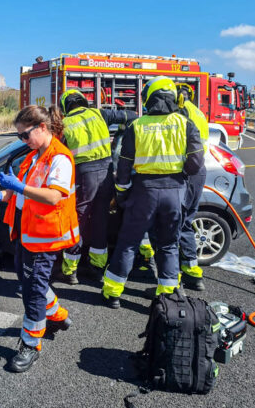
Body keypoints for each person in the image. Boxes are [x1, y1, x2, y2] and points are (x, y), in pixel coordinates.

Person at [0, 105, 79, 372]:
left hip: (44, 235)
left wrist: (19, 186)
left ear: (42, 128)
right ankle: (57, 315)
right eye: (19, 136)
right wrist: (0, 196)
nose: (22, 140)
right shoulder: (34, 156)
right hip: (26, 230)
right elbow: (19, 193)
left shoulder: (60, 158)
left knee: (33, 289)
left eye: (25, 135)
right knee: (29, 280)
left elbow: (55, 196)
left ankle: (31, 344)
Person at [101, 76, 204, 309]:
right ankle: (168, 296)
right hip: (174, 192)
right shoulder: (186, 124)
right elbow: (196, 163)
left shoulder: (136, 126)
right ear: (174, 98)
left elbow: (124, 167)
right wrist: (178, 177)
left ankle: (113, 293)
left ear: (148, 98)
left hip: (143, 192)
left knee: (128, 243)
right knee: (168, 245)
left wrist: (121, 194)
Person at [56, 90, 138, 284]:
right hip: (107, 173)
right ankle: (97, 267)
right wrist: (121, 134)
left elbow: (59, 153)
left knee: (79, 220)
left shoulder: (65, 125)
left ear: (65, 106)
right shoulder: (100, 114)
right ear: (84, 101)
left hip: (84, 175)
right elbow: (132, 115)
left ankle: (70, 271)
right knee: (100, 219)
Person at [177, 83, 209, 291]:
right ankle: (192, 273)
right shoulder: (199, 112)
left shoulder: (181, 114)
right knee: (186, 221)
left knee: (175, 223)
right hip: (198, 171)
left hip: (186, 172)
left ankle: (171, 282)